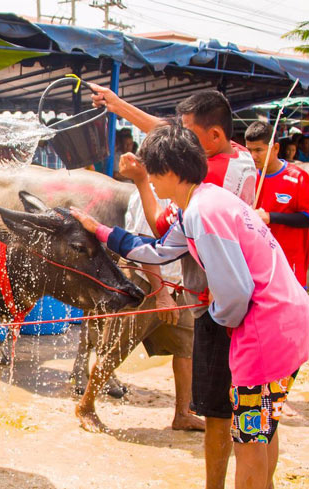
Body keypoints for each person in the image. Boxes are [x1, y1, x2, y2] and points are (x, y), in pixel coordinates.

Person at [71, 123, 308, 489]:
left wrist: (215, 310)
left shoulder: (203, 213)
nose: (149, 181)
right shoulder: (204, 201)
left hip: (264, 335)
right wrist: (99, 229)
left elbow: (236, 295)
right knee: (264, 430)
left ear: (166, 172)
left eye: (150, 173)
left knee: (246, 443)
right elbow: (156, 250)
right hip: (289, 324)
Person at [90, 85, 256, 489]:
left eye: (159, 174)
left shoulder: (201, 196)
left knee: (220, 410)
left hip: (205, 299)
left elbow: (162, 238)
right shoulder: (229, 165)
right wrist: (119, 105)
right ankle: (94, 402)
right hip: (199, 291)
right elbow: (161, 245)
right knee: (254, 420)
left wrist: (219, 314)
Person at [245, 121, 309, 286]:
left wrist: (270, 217)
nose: (253, 156)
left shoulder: (298, 177)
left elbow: (306, 218)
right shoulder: (249, 177)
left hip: (290, 261)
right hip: (259, 263)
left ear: (275, 148)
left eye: (259, 150)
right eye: (249, 150)